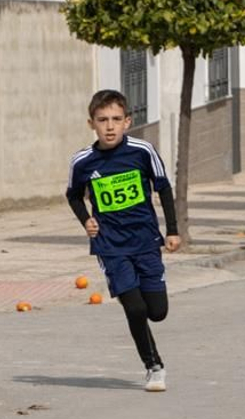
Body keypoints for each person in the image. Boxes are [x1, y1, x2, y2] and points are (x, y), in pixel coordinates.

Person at [66, 90, 181, 390]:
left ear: (128, 121)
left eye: (116, 119)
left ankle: (149, 304)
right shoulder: (83, 161)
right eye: (102, 120)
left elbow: (164, 189)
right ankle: (153, 366)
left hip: (145, 241)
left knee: (157, 312)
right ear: (91, 123)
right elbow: (73, 196)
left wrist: (172, 230)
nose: (110, 126)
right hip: (111, 245)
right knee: (135, 308)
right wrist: (86, 221)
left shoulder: (143, 151)